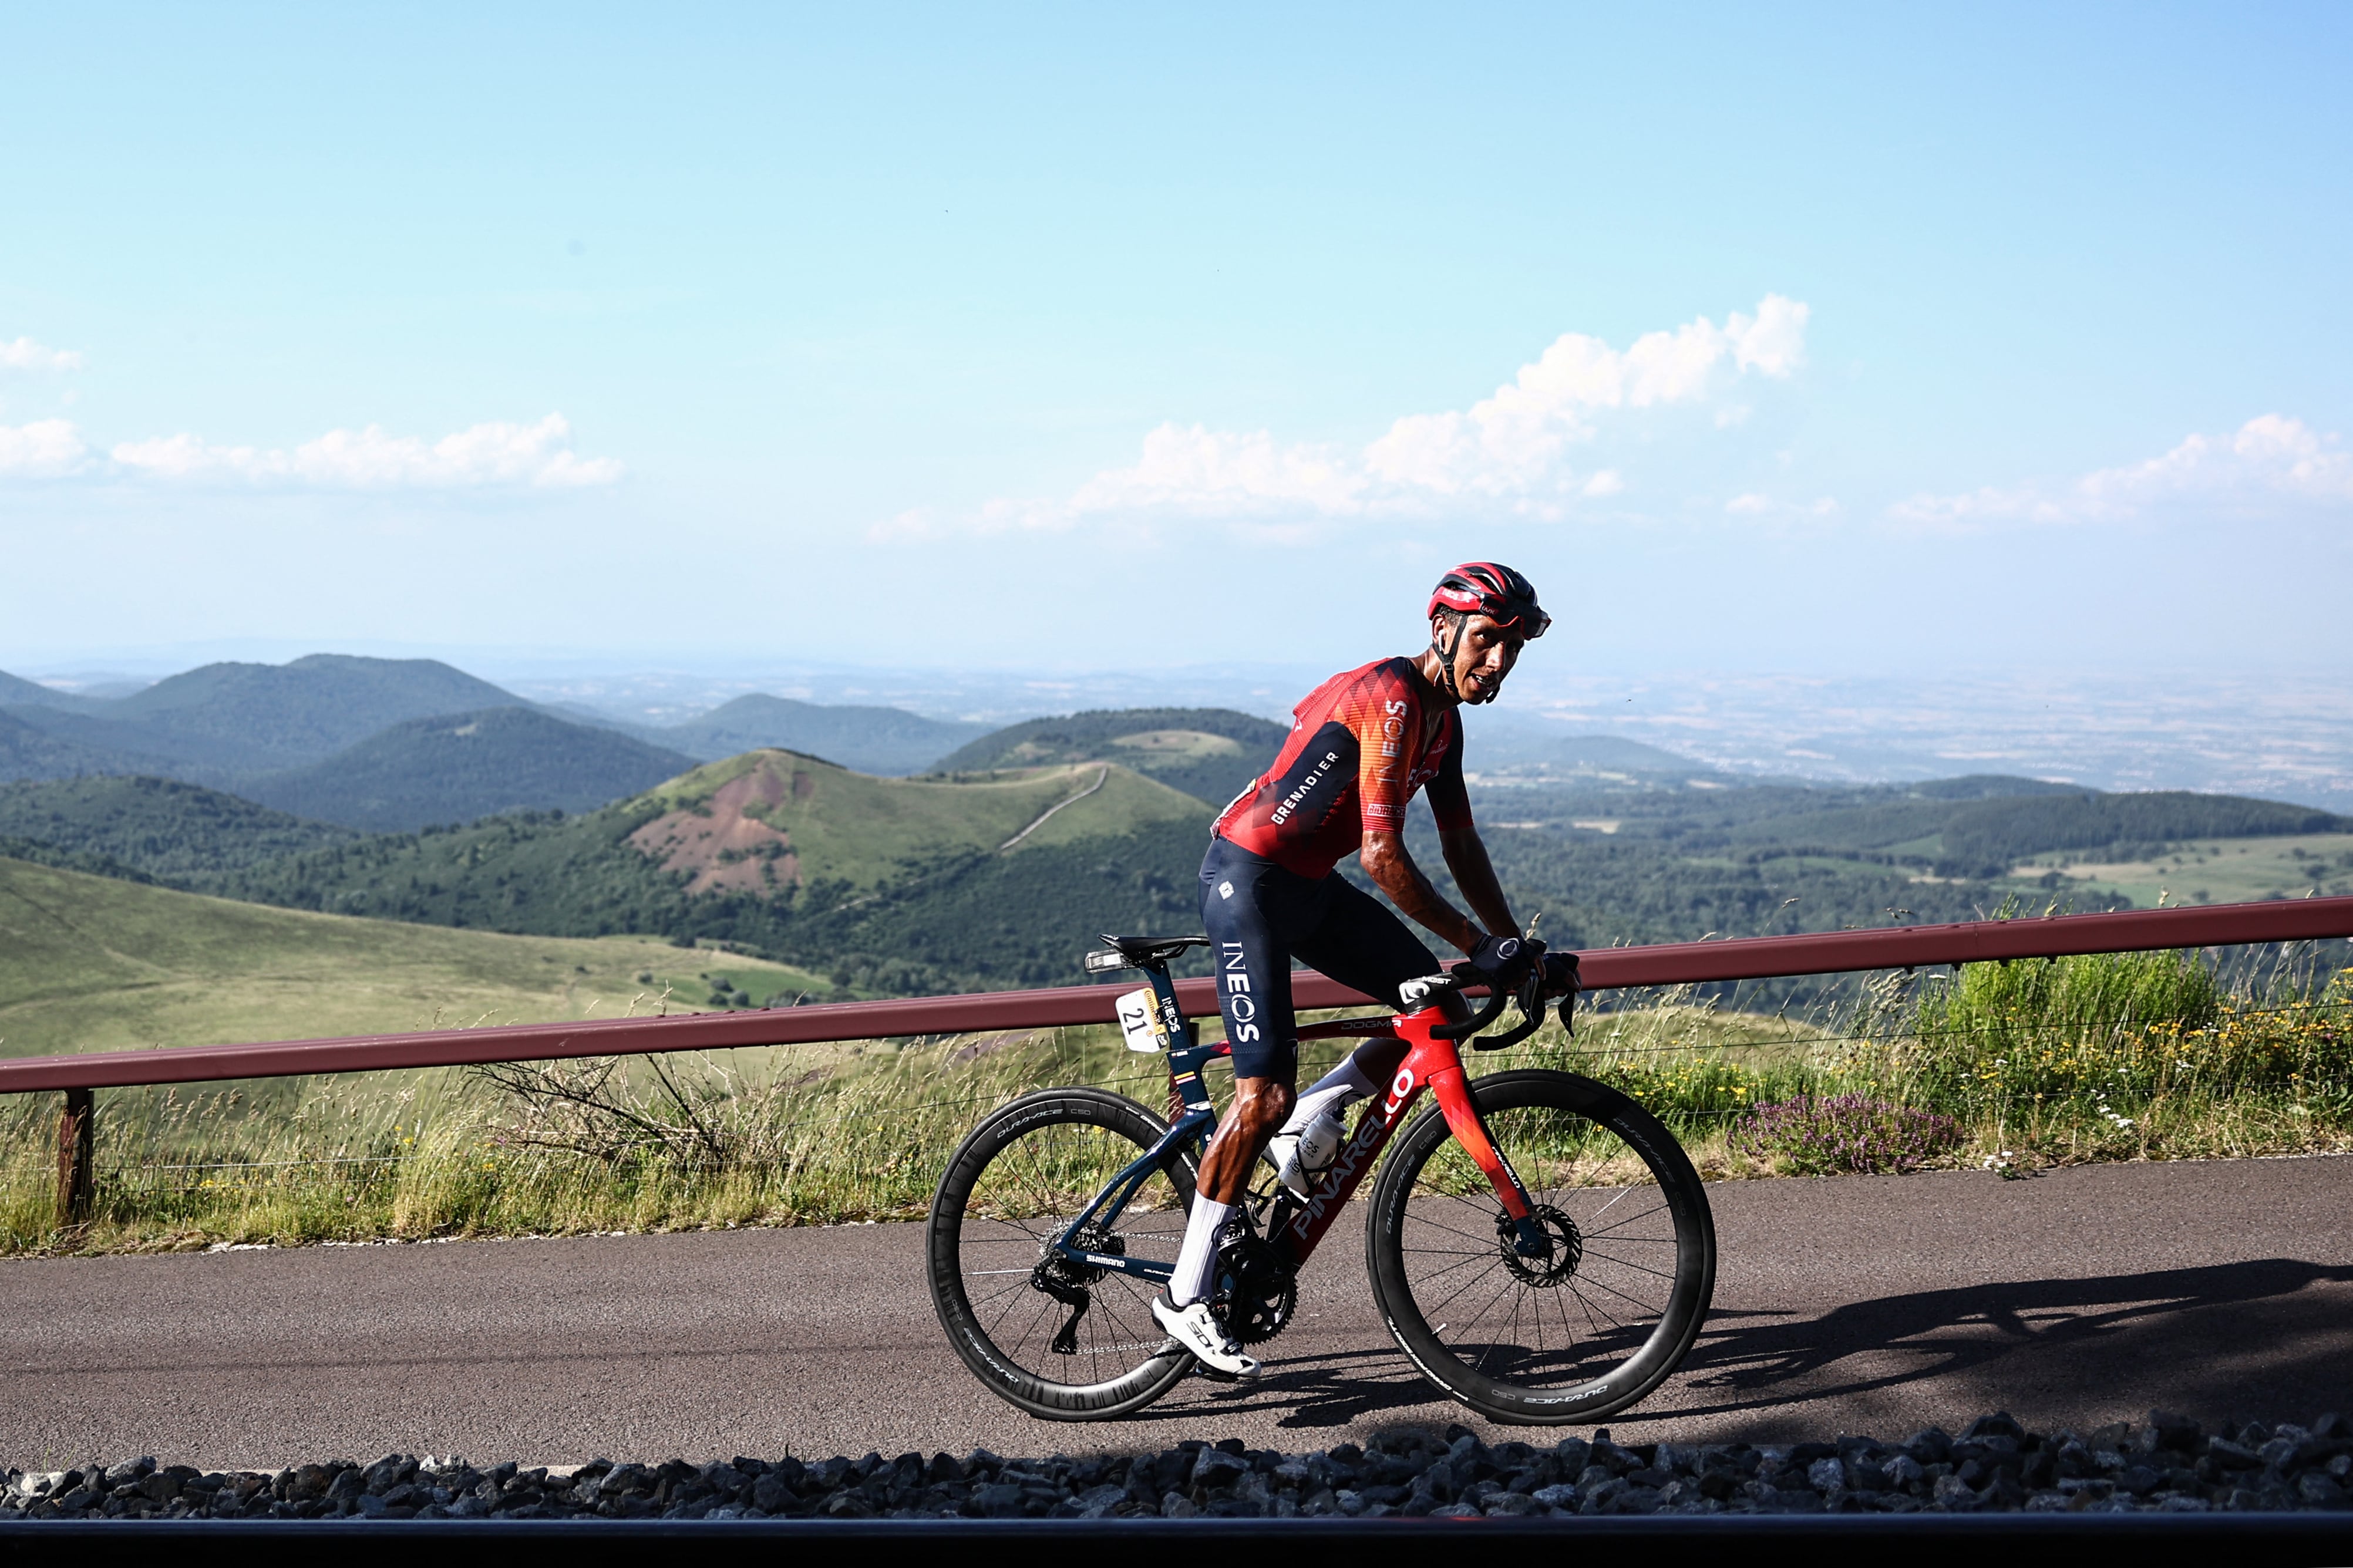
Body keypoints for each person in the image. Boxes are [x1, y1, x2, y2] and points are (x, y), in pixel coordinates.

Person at [1150, 561, 1566, 1377]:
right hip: (1248, 881)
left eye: (1513, 652)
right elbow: (1382, 854)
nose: (1499, 665)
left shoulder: (1443, 723)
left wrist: (1511, 942)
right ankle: (1186, 1294)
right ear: (1442, 630)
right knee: (1259, 1097)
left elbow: (1459, 845)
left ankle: (1318, 1114)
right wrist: (1475, 941)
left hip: (1307, 887)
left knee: (1434, 1011)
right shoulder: (1394, 697)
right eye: (1487, 642)